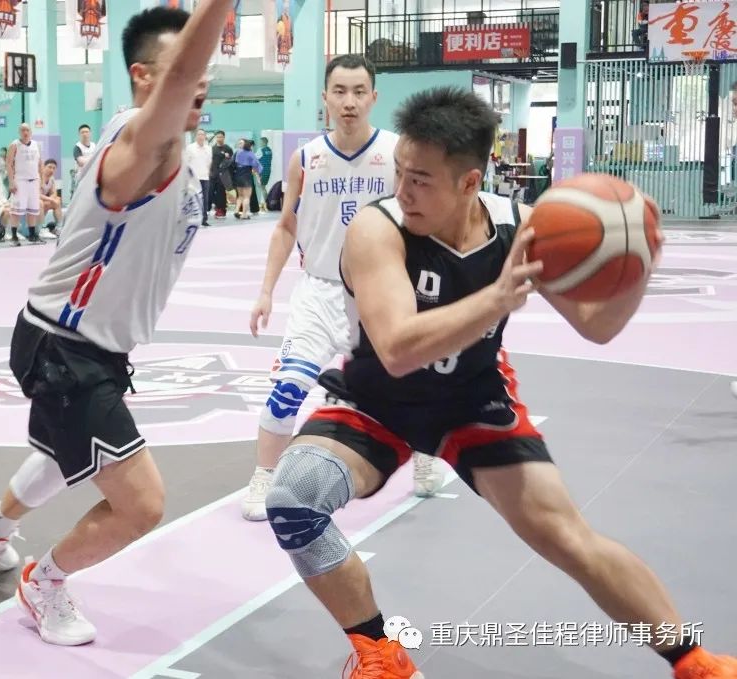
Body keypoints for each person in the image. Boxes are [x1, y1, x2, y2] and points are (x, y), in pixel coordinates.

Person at [263, 86, 737, 679]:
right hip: (377, 399)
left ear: (470, 182)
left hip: (474, 399)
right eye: (400, 172)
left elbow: (597, 328)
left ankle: (694, 661)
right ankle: (381, 653)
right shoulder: (377, 229)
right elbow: (398, 349)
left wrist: (635, 264)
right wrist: (496, 298)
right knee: (293, 501)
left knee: (566, 537)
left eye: (420, 180)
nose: (402, 190)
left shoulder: (524, 227)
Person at [0, 2, 227, 648]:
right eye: (186, 72)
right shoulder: (141, 148)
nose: (199, 83)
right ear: (143, 77)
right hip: (64, 348)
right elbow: (177, 84)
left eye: (204, 74)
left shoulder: (183, 151)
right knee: (142, 504)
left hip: (84, 344)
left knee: (61, 450)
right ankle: (43, 582)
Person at [242, 54, 444, 522]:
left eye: (358, 92)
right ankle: (264, 474)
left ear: (374, 97)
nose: (349, 102)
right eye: (339, 91)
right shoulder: (306, 158)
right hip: (319, 290)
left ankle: (425, 451)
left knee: (411, 383)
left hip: (380, 291)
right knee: (288, 387)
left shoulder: (397, 154)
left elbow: (423, 221)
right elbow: (286, 227)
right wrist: (266, 290)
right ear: (325, 98)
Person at [6, 123, 44, 244]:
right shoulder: (14, 145)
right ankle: (14, 236)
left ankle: (32, 235)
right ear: (19, 132)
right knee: (16, 210)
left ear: (31, 132)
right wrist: (11, 182)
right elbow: (8, 164)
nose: (25, 132)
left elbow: (40, 164)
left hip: (34, 181)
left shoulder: (36, 145)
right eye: (22, 130)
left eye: (27, 130)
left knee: (33, 209)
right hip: (20, 181)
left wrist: (42, 181)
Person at [186, 128, 212, 226]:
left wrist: (208, 173)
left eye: (202, 134)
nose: (201, 136)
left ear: (205, 136)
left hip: (205, 177)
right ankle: (192, 219)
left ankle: (204, 219)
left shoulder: (208, 148)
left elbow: (209, 162)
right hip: (193, 179)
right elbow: (186, 162)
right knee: (194, 199)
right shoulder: (190, 148)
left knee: (205, 198)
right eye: (199, 134)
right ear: (195, 136)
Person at [232, 139, 262, 220]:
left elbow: (233, 163)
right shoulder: (250, 153)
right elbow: (256, 165)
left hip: (238, 176)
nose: (239, 144)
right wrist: (258, 175)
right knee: (246, 197)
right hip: (246, 176)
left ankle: (236, 211)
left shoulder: (237, 153)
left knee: (240, 196)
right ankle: (244, 214)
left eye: (241, 143)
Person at [39, 158, 61, 239]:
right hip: (35, 201)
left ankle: (59, 227)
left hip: (44, 200)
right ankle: (41, 228)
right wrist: (51, 200)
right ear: (44, 167)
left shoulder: (51, 178)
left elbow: (54, 193)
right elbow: (37, 195)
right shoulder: (38, 178)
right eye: (49, 167)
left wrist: (52, 199)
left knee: (57, 200)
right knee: (43, 203)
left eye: (54, 168)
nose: (51, 170)